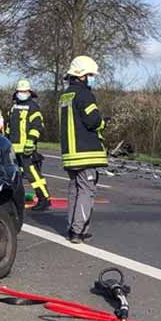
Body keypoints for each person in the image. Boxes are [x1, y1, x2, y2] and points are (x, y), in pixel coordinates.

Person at [58, 55, 108, 243]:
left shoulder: (65, 95)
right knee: (86, 191)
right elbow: (93, 121)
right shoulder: (85, 95)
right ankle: (77, 231)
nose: (92, 78)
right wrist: (103, 122)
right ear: (82, 75)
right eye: (90, 75)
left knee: (74, 191)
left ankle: (74, 227)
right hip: (85, 153)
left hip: (70, 154)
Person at [7, 79, 50, 211]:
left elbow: (37, 126)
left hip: (26, 148)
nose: (22, 94)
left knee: (33, 175)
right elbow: (9, 127)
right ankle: (15, 199)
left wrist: (31, 141)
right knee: (15, 174)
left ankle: (44, 199)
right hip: (13, 148)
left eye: (25, 91)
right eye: (20, 91)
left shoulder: (33, 107)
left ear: (29, 92)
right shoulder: (14, 107)